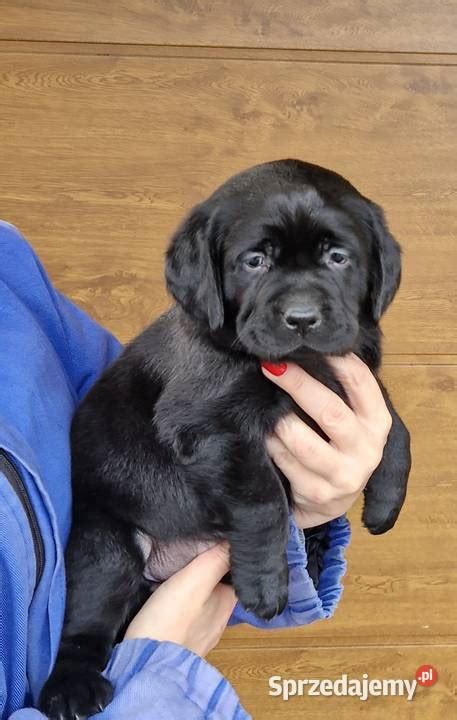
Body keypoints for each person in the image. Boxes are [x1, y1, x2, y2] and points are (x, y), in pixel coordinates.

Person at [0, 221, 392, 719]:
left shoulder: (6, 267)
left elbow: (132, 414)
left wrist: (301, 497)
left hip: (167, 533)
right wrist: (152, 681)